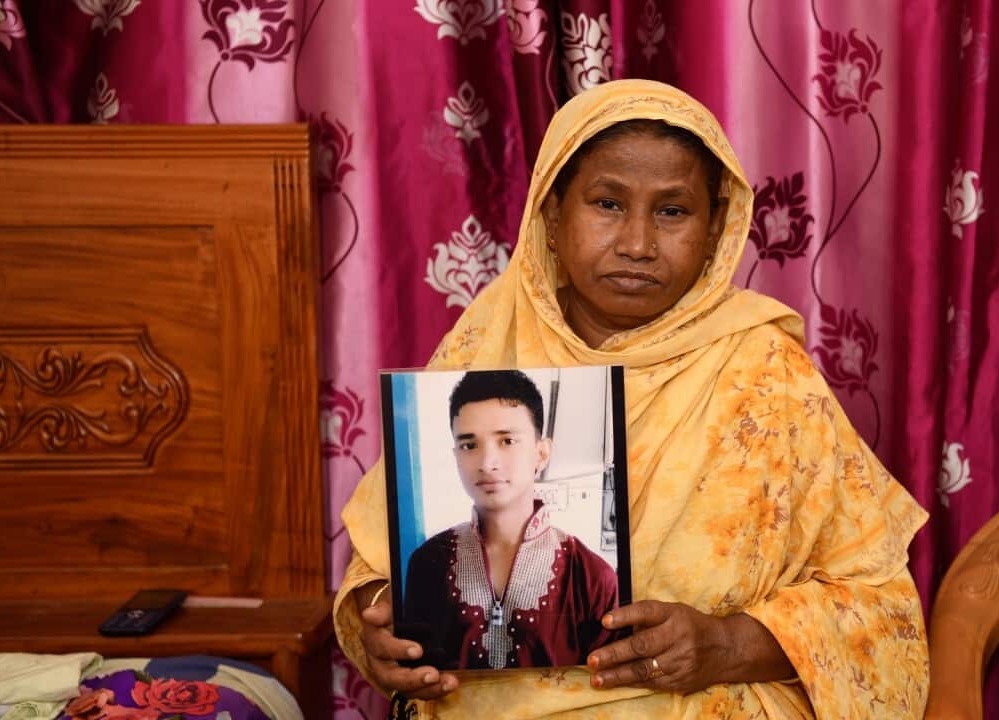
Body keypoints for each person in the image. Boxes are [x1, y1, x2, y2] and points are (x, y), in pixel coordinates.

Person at [336, 79, 929, 719]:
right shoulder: (487, 346)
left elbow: (878, 606)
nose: (639, 243)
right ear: (553, 217)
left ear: (714, 232)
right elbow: (375, 577)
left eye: (673, 211)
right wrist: (384, 635)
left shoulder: (764, 370)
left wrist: (727, 644)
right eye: (608, 203)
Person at [399, 369, 620, 670]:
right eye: (469, 445)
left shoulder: (593, 577)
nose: (488, 463)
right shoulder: (427, 563)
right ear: (456, 456)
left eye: (507, 441)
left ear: (541, 455)